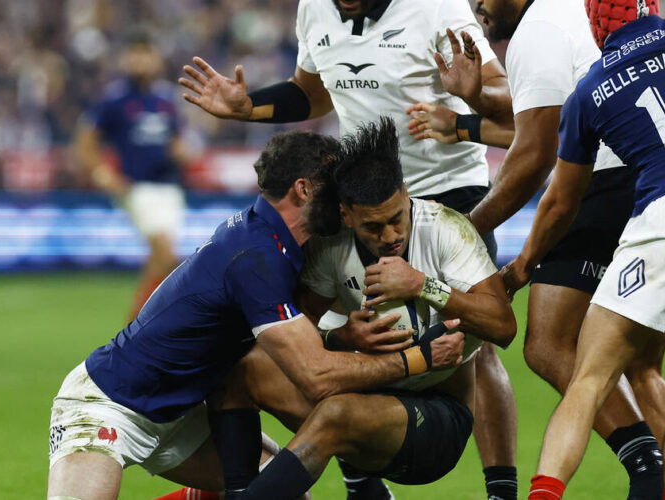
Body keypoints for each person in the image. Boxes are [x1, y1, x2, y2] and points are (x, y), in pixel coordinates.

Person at [178, 1, 520, 497]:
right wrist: (247, 107)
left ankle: (501, 491)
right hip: (358, 197)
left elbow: (506, 96)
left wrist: (473, 98)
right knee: (327, 331)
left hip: (446, 190)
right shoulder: (315, 9)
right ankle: (360, 476)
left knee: (472, 345)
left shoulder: (435, 8)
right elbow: (310, 94)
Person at [47, 129, 463, 500]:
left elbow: (281, 341)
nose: (343, 201)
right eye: (333, 188)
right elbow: (315, 375)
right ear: (303, 189)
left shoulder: (277, 243)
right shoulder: (257, 256)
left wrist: (340, 339)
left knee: (282, 490)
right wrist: (417, 360)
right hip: (108, 405)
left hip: (183, 413)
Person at [407, 0, 665, 497]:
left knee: (549, 344)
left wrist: (463, 231)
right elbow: (545, 118)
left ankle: (645, 466)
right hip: (663, 182)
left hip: (608, 181)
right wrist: (474, 105)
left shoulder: (539, 27)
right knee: (640, 364)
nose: (478, 6)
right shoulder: (570, 16)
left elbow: (535, 153)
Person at [495, 2, 665, 498]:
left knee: (589, 378)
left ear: (597, 22)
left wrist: (521, 267)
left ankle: (545, 493)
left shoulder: (593, 88)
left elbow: (560, 202)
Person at [75, 28, 191, 320]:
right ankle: (136, 326)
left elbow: (177, 140)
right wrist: (102, 174)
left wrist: (182, 152)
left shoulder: (167, 98)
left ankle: (142, 328)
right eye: (135, 54)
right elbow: (86, 140)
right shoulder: (115, 98)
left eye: (146, 53)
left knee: (161, 261)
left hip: (169, 187)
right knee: (165, 253)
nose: (141, 60)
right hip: (138, 187)